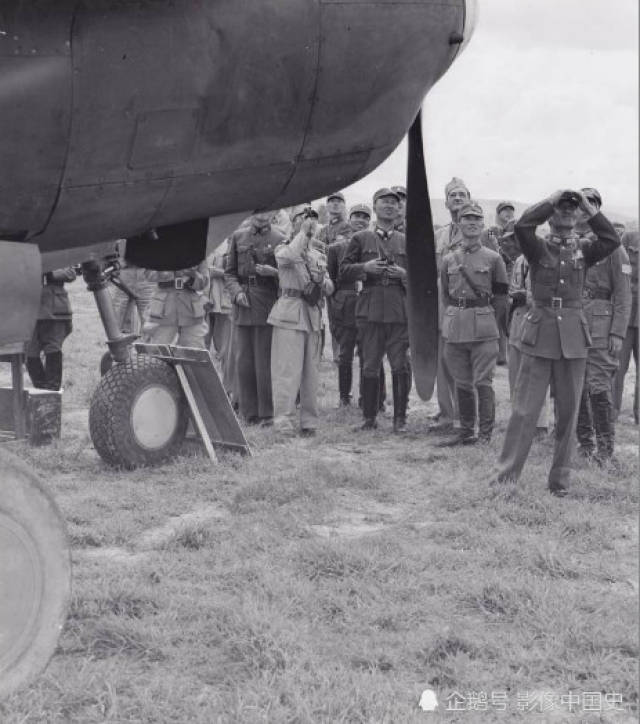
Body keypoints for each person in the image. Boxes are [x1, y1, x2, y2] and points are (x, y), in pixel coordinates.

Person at [492, 190, 620, 496]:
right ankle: (505, 479)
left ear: (579, 216)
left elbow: (612, 239)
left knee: (569, 412)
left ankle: (560, 482)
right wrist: (551, 200)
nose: (566, 212)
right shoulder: (537, 247)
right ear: (550, 216)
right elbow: (523, 225)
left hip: (574, 336)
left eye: (571, 209)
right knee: (525, 411)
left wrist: (588, 207)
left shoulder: (586, 248)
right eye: (561, 208)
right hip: (539, 335)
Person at [437, 202, 508, 446]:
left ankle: (485, 435)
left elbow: (501, 296)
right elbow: (446, 295)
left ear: (482, 225)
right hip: (456, 327)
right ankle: (466, 431)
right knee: (462, 381)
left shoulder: (494, 258)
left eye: (476, 219)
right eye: (466, 218)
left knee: (483, 381)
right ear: (458, 224)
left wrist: (490, 321)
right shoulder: (448, 259)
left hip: (484, 328)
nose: (471, 222)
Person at [339, 188, 410, 432]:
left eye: (394, 202)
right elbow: (343, 271)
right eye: (384, 202)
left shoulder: (405, 241)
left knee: (400, 365)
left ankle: (400, 419)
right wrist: (365, 267)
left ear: (399, 209)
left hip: (398, 311)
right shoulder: (360, 239)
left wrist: (404, 275)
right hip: (369, 309)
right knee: (370, 364)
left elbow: (420, 279)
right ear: (375, 206)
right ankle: (369, 418)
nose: (390, 206)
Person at [574, 188, 631, 463]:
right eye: (579, 206)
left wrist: (618, 332)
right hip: (574, 324)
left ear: (597, 210)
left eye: (589, 206)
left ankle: (606, 450)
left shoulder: (615, 249)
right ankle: (585, 444)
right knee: (577, 386)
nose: (582, 211)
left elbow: (623, 294)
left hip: (601, 324)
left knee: (598, 385)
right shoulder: (574, 244)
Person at [268, 216, 333, 434]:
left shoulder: (318, 255)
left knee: (311, 373)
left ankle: (309, 422)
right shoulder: (284, 249)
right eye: (304, 223)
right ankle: (283, 421)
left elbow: (330, 286)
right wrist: (302, 235)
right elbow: (288, 257)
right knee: (287, 371)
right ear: (295, 226)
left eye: (312, 224)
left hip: (312, 315)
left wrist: (321, 282)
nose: (310, 227)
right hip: (290, 312)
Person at [224, 211, 284, 424]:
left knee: (264, 360)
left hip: (266, 302)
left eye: (268, 211)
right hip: (243, 302)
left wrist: (273, 273)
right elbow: (229, 273)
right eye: (259, 211)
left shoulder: (280, 238)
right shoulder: (238, 237)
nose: (262, 216)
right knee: (244, 360)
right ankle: (248, 413)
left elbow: (287, 275)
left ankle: (266, 412)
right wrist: (236, 292)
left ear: (275, 213)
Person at [429, 177, 471, 433]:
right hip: (443, 303)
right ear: (445, 202)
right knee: (443, 358)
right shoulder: (440, 234)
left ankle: (467, 416)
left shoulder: (484, 230)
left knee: (464, 360)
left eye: (462, 194)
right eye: (452, 195)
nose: (457, 198)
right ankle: (447, 413)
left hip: (469, 305)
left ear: (469, 199)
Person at [327, 203, 370, 405]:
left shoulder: (375, 245)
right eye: (357, 216)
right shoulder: (336, 248)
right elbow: (331, 280)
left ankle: (366, 396)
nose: (361, 220)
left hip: (369, 303)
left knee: (368, 352)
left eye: (365, 216)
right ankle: (345, 396)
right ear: (349, 219)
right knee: (345, 353)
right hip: (345, 304)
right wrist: (336, 305)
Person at [26, 268, 76, 391]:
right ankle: (41, 391)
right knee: (30, 352)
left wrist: (49, 271)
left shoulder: (56, 250)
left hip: (54, 309)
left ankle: (52, 391)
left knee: (53, 348)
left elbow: (71, 273)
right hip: (29, 308)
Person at [143, 261, 210, 348]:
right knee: (159, 352)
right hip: (164, 309)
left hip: (191, 310)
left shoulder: (198, 251)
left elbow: (204, 282)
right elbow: (148, 274)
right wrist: (173, 272)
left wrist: (192, 275)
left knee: (195, 352)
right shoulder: (158, 249)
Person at [613, 230, 639, 424]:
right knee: (618, 367)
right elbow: (622, 268)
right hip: (626, 313)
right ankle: (612, 411)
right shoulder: (629, 237)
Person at [204, 237, 234, 397]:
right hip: (204, 305)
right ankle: (200, 389)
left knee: (225, 351)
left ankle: (227, 391)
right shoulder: (206, 241)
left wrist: (219, 272)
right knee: (201, 349)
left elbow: (239, 273)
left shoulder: (233, 240)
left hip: (224, 304)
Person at [110, 238, 155, 334]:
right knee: (118, 315)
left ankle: (148, 346)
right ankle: (121, 345)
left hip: (147, 272)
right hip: (125, 272)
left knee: (150, 317)